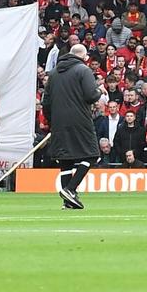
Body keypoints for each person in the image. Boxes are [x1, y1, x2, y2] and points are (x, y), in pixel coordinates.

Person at [45, 42, 103, 211]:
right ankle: (70, 190)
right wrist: (100, 91)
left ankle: (67, 201)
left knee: (65, 161)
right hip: (80, 120)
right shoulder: (83, 70)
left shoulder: (54, 73)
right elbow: (91, 95)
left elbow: (46, 102)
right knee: (92, 154)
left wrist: (52, 121)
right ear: (83, 56)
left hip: (58, 123)